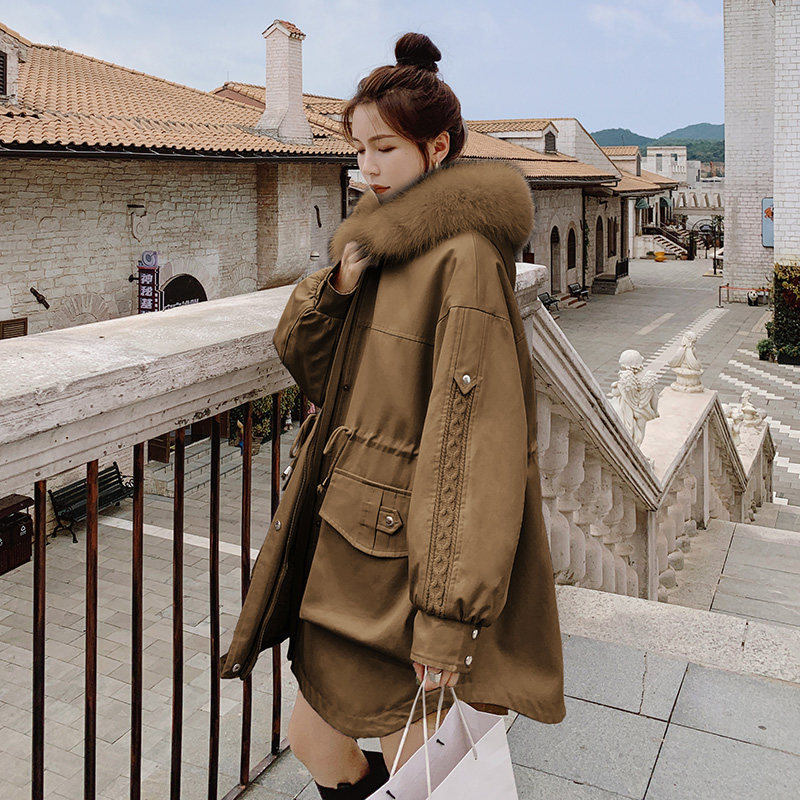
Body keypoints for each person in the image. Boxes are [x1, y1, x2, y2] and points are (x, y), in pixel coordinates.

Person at [220, 31, 566, 799]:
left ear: (437, 148)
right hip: (350, 547)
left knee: (418, 766)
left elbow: (475, 445)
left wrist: (446, 617)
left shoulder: (463, 257)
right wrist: (338, 285)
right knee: (319, 739)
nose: (366, 166)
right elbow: (311, 364)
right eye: (359, 148)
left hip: (408, 565)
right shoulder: (382, 245)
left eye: (384, 148)